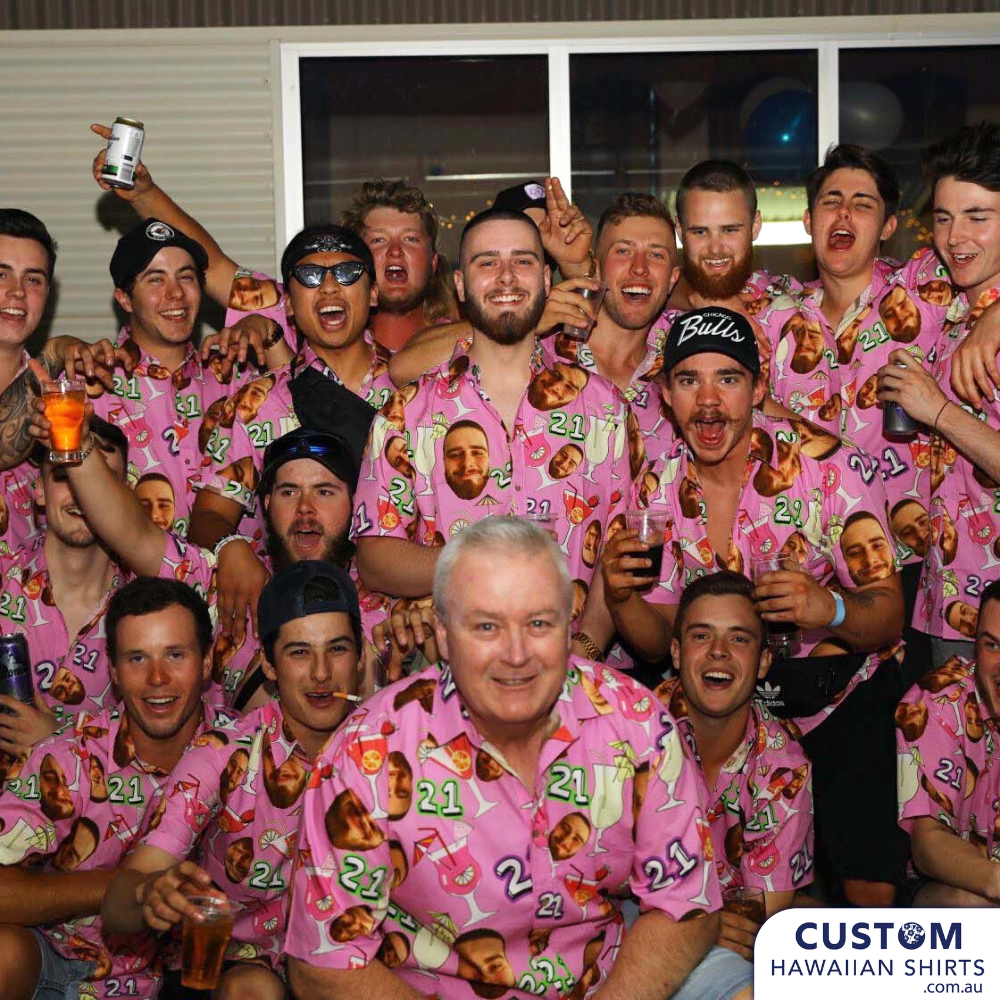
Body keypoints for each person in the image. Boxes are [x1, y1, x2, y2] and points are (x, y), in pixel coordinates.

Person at [284, 517, 742, 1000]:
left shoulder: (637, 722)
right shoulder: (367, 752)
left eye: (539, 623)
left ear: (570, 628)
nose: (517, 654)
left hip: (603, 980)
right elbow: (326, 961)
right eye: (486, 626)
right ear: (442, 633)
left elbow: (684, 904)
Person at [601, 305, 906, 908]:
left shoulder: (827, 467)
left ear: (760, 387)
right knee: (707, 897)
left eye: (729, 379)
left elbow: (889, 614)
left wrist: (832, 609)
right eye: (689, 380)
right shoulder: (658, 487)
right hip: (723, 713)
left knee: (870, 893)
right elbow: (655, 635)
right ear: (665, 394)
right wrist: (618, 598)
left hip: (833, 698)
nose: (708, 401)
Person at [352, 208, 630, 646]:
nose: (506, 277)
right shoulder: (406, 412)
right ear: (461, 286)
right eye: (487, 262)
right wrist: (477, 556)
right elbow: (375, 557)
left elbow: (620, 549)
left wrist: (586, 650)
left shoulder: (605, 410)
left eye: (522, 260)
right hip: (452, 671)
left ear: (545, 280)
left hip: (574, 670)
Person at [100, 562, 366, 1000]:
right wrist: (151, 892)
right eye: (299, 652)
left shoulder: (388, 750)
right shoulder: (223, 753)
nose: (320, 673)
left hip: (345, 963)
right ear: (269, 662)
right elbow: (120, 903)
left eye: (336, 649)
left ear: (359, 656)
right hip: (233, 966)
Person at [0, 577, 217, 1000]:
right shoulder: (69, 756)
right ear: (114, 671)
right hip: (61, 962)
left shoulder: (240, 753)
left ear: (207, 662)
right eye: (138, 658)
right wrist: (128, 885)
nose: (157, 677)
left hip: (188, 980)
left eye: (175, 655)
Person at [188, 225, 397, 549]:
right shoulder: (256, 403)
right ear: (287, 304)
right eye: (310, 275)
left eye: (347, 273)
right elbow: (208, 517)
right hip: (292, 595)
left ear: (372, 293)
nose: (329, 287)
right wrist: (231, 550)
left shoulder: (413, 386)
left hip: (401, 597)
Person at [877, 123, 1000, 665]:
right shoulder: (943, 290)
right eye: (945, 218)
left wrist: (940, 412)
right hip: (942, 594)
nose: (955, 237)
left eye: (978, 217)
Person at [654, 571, 813, 975]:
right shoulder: (630, 729)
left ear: (763, 662)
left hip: (727, 952)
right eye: (701, 635)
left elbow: (756, 924)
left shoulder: (785, 770)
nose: (719, 652)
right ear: (676, 652)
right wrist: (704, 922)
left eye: (739, 638)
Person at [0, 416, 131, 755]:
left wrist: (59, 744)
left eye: (97, 480)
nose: (81, 493)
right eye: (63, 476)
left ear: (122, 494)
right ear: (39, 490)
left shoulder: (147, 607)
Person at [896, 577, 1000, 906]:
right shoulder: (936, 704)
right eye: (992, 645)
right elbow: (927, 845)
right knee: (975, 906)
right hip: (951, 888)